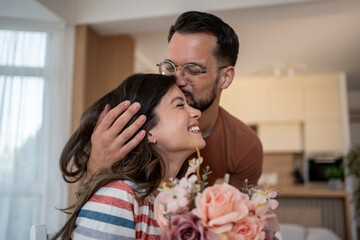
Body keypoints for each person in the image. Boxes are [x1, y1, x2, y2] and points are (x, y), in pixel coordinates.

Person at [88, 11, 263, 189]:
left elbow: (237, 211)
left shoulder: (245, 146)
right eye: (170, 67)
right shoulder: (134, 125)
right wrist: (97, 165)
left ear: (225, 78)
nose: (177, 80)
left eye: (193, 69)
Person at [53, 73, 205, 240]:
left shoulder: (178, 202)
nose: (196, 112)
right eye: (179, 105)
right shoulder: (119, 197)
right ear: (147, 131)